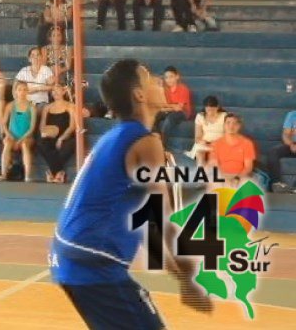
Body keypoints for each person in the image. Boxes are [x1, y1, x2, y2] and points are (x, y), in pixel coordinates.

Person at [50, 59, 213, 329]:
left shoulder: (116, 137)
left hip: (73, 257)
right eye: (150, 78)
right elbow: (161, 221)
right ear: (139, 94)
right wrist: (187, 280)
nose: (159, 81)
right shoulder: (145, 142)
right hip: (94, 261)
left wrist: (181, 277)